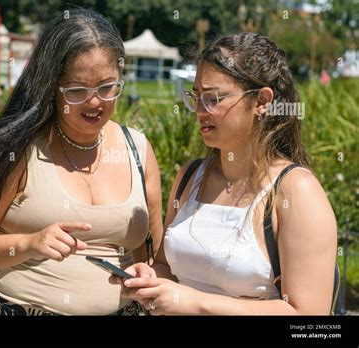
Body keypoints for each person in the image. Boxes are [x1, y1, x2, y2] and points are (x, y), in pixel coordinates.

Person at [0, 9, 163, 316]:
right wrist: (28, 244)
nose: (95, 102)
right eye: (77, 90)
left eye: (107, 87)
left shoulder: (137, 148)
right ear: (52, 86)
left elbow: (152, 258)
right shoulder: (18, 150)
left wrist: (146, 277)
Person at [113, 33, 337, 315]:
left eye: (212, 98)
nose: (198, 110)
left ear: (262, 101)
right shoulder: (189, 177)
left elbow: (308, 318)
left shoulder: (296, 190)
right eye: (195, 96)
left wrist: (193, 303)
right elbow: (166, 268)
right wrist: (150, 278)